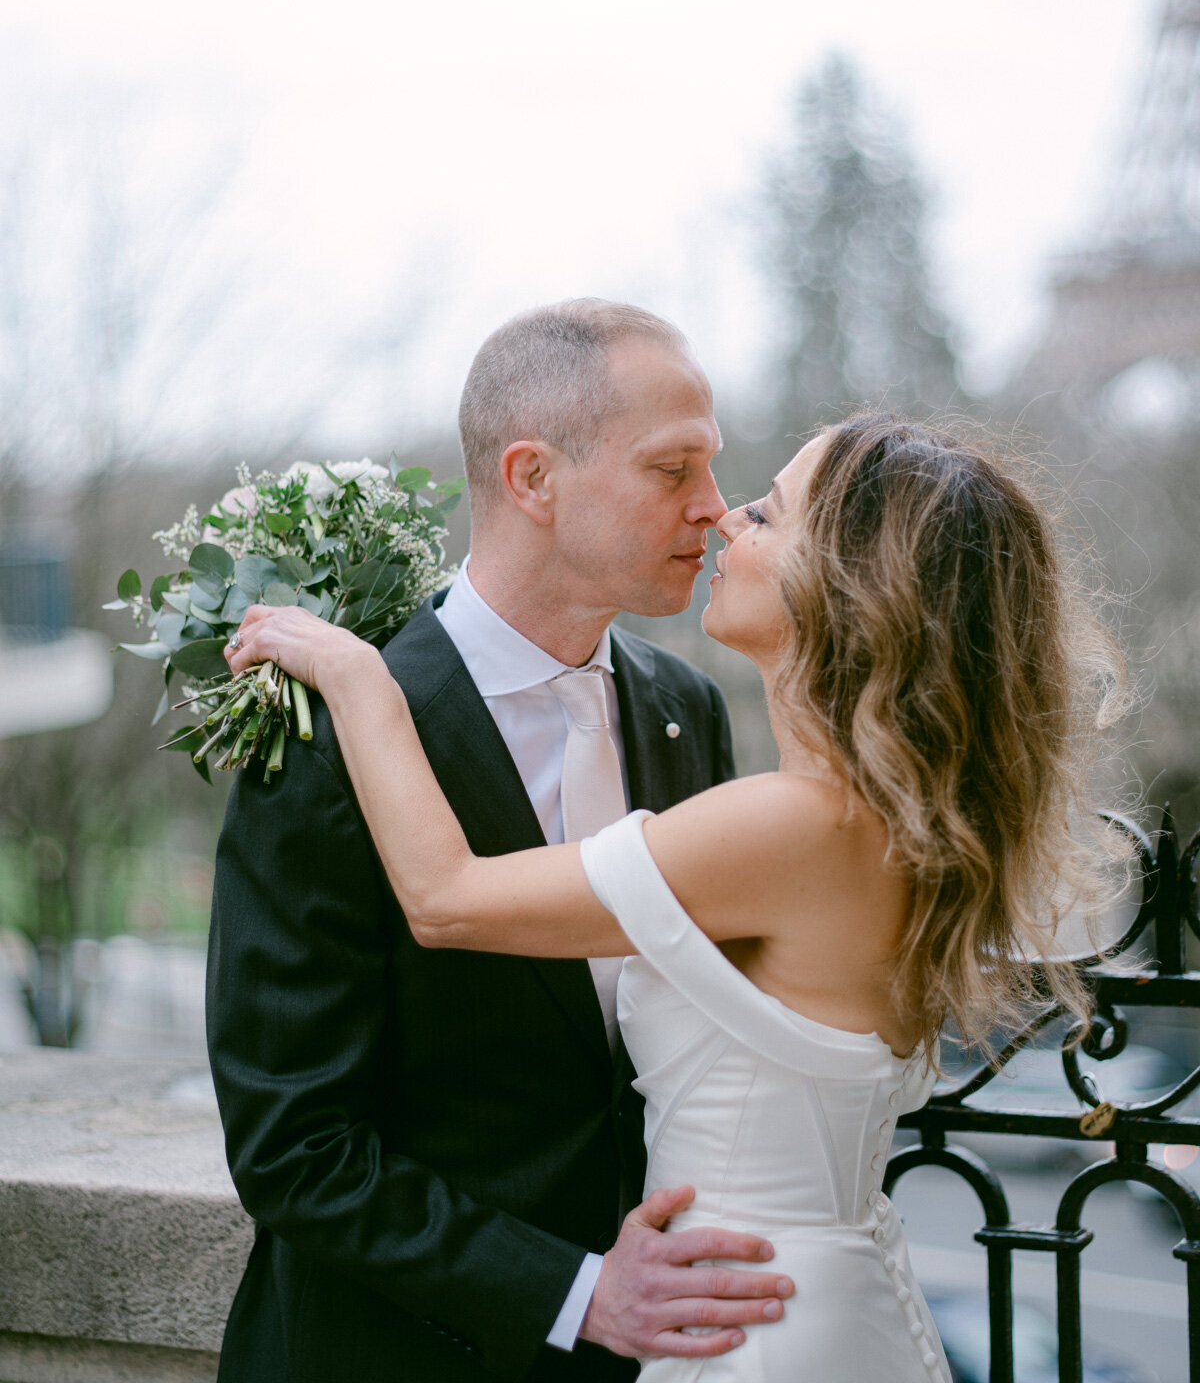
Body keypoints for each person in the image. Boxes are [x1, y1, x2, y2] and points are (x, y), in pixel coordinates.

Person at [227, 410, 1127, 1383]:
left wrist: (358, 676)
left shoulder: (795, 826)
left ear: (849, 590)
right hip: (802, 1303)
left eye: (771, 515)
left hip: (753, 1331)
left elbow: (447, 898)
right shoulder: (890, 822)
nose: (727, 516)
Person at [207, 299, 797, 1383]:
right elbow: (294, 1146)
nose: (716, 511)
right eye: (674, 471)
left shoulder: (686, 710)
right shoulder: (328, 726)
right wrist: (575, 1293)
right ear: (533, 479)